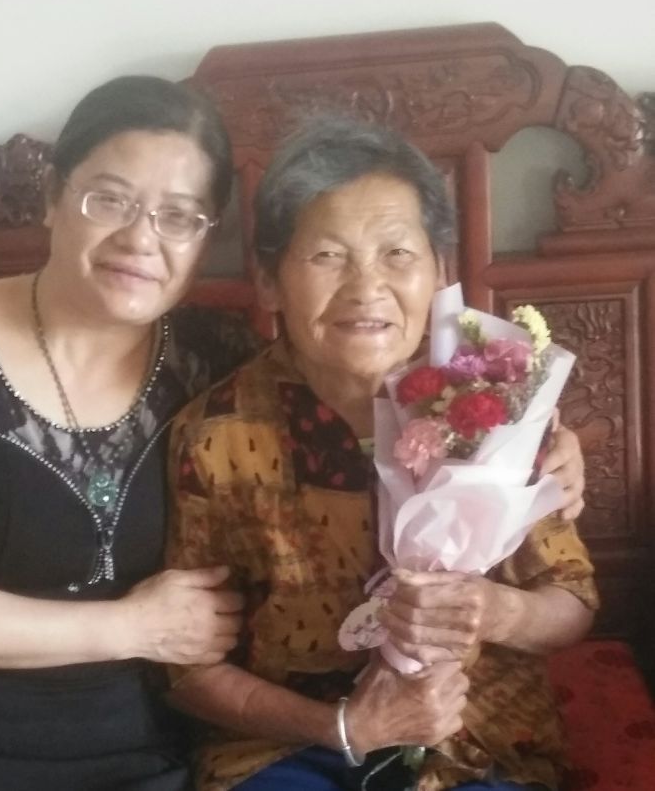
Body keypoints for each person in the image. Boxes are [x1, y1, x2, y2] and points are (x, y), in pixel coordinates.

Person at [0, 76, 257, 791]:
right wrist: (132, 627)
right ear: (53, 197)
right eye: (109, 200)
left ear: (205, 237)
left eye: (179, 217)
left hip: (149, 739)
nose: (141, 239)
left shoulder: (216, 360)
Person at [166, 117, 597, 791]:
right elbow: (188, 669)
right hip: (287, 744)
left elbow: (573, 600)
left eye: (397, 253)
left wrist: (495, 610)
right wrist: (342, 726)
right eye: (327, 255)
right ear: (270, 281)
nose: (366, 287)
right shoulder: (217, 436)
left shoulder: (496, 398)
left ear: (439, 273)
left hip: (476, 739)